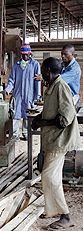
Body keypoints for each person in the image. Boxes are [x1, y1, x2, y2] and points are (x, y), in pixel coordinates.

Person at [32, 57, 80, 229]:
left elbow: (64, 119)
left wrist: (42, 123)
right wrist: (39, 118)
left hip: (60, 140)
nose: (42, 73)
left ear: (49, 71)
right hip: (53, 139)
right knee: (53, 176)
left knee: (49, 177)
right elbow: (50, 111)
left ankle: (66, 216)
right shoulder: (52, 86)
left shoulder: (61, 87)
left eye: (43, 69)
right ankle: (52, 210)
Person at [5, 43, 41, 141]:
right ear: (21, 54)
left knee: (27, 114)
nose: (25, 56)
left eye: (27, 54)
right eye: (23, 54)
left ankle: (26, 133)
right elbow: (12, 79)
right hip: (18, 94)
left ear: (30, 54)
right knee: (16, 114)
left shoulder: (35, 64)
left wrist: (37, 95)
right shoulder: (16, 65)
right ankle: (15, 134)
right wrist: (7, 89)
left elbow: (37, 81)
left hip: (30, 94)